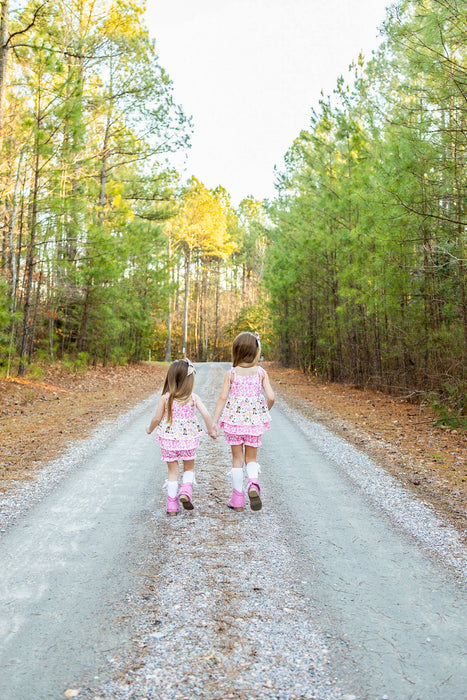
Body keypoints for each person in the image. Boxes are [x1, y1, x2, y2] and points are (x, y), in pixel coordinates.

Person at [211, 331, 275, 511]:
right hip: (253, 423)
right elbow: (271, 397)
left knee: (237, 459)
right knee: (251, 458)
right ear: (255, 351)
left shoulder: (231, 374)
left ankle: (237, 500)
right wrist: (262, 412)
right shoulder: (261, 373)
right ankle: (253, 484)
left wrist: (214, 422)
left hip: (234, 423)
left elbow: (222, 398)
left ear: (236, 352)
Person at [147, 358, 213, 515]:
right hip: (188, 440)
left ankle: (171, 507)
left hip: (169, 441)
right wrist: (211, 430)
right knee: (189, 467)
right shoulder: (193, 398)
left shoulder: (165, 398)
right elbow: (206, 414)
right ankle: (185, 490)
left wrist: (149, 429)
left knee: (172, 471)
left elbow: (156, 418)